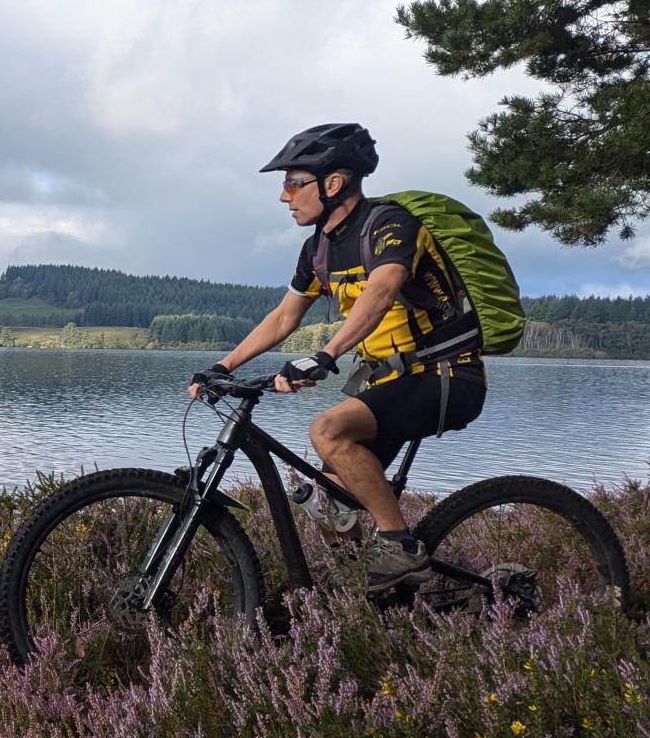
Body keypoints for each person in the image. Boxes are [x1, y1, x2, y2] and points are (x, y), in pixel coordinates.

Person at [188, 123, 486, 593]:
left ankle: (401, 551)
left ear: (333, 183)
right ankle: (361, 591)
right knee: (326, 501)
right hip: (389, 383)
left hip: (447, 375)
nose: (284, 197)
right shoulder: (318, 249)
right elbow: (285, 316)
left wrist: (325, 355)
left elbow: (383, 288)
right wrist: (224, 366)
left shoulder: (391, 224)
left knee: (327, 429)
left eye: (293, 182)